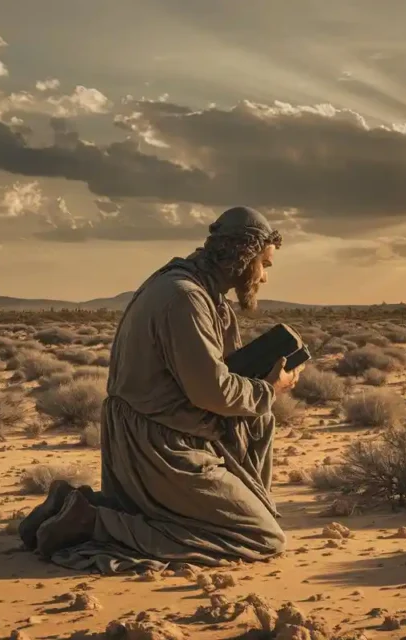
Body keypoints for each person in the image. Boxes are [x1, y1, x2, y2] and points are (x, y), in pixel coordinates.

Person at [17, 206, 301, 574]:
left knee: (255, 424)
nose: (264, 277)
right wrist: (269, 389)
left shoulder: (199, 292)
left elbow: (215, 373)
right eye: (264, 264)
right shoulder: (185, 297)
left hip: (164, 431)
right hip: (162, 444)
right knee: (263, 538)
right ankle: (92, 522)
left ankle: (74, 507)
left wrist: (259, 381)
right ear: (243, 256)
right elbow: (211, 392)